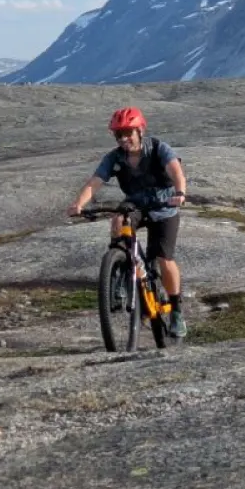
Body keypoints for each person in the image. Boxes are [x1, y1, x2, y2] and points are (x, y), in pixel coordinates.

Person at [68, 106, 190, 338]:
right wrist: (79, 204)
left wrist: (180, 193)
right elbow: (96, 181)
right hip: (136, 204)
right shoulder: (115, 158)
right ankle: (119, 273)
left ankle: (176, 310)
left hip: (165, 206)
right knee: (119, 220)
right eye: (119, 134)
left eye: (128, 133)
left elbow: (176, 171)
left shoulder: (157, 149)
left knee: (164, 259)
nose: (124, 139)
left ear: (140, 130)